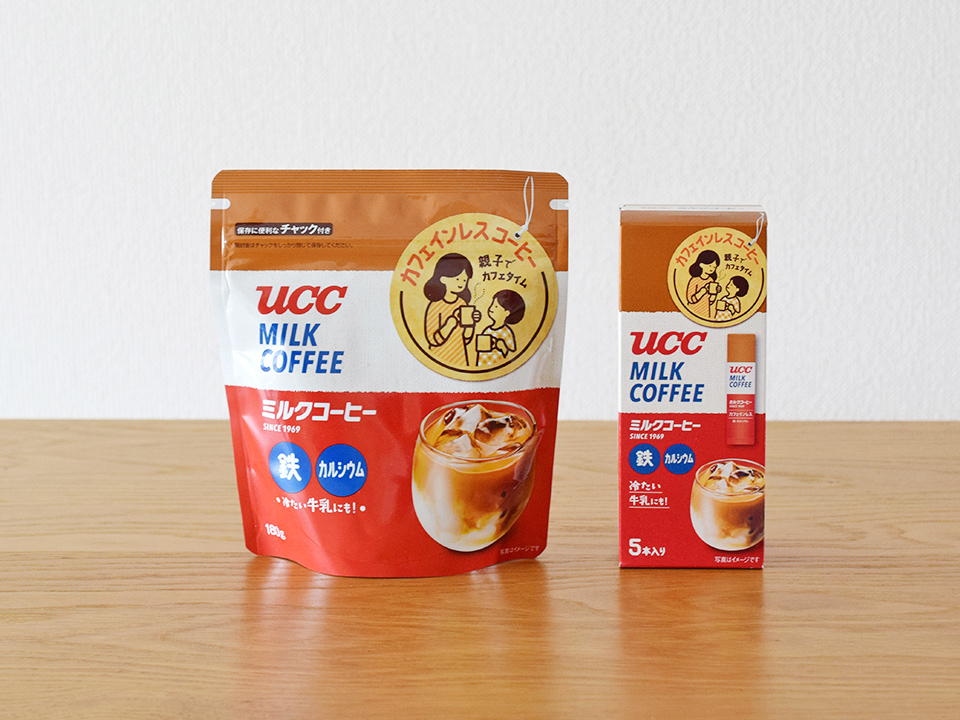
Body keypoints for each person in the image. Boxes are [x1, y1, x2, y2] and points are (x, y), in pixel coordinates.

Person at [423, 253, 481, 367]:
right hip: (438, 358)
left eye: (464, 280)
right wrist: (450, 324)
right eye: (458, 279)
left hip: (459, 357)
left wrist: (470, 324)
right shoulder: (436, 305)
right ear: (443, 278)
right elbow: (432, 340)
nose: (461, 283)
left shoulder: (462, 303)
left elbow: (466, 338)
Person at [476, 289, 525, 368]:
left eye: (496, 306)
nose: (491, 308)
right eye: (492, 304)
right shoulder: (487, 330)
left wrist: (503, 347)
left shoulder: (506, 332)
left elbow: (512, 353)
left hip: (501, 366)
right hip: (483, 365)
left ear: (506, 313)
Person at [685, 250, 721, 319]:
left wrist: (714, 294)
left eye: (714, 267)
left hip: (705, 311)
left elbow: (710, 301)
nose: (712, 269)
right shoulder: (695, 280)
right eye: (710, 266)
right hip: (693, 311)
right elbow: (690, 299)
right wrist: (703, 291)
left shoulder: (710, 280)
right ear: (701, 264)